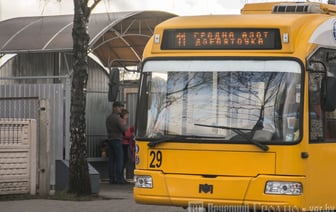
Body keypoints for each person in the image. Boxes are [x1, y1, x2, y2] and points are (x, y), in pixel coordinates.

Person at [106, 101, 128, 184]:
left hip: (110, 139)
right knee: (119, 159)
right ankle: (119, 178)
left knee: (111, 160)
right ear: (114, 108)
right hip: (117, 140)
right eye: (119, 107)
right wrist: (125, 124)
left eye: (121, 107)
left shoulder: (109, 118)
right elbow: (123, 129)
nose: (121, 109)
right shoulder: (117, 118)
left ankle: (112, 178)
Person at [120, 109, 135, 181]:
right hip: (124, 143)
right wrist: (131, 133)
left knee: (124, 159)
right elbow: (126, 134)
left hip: (124, 143)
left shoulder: (123, 121)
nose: (127, 116)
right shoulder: (123, 122)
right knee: (124, 159)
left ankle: (122, 176)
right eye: (127, 115)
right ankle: (121, 176)